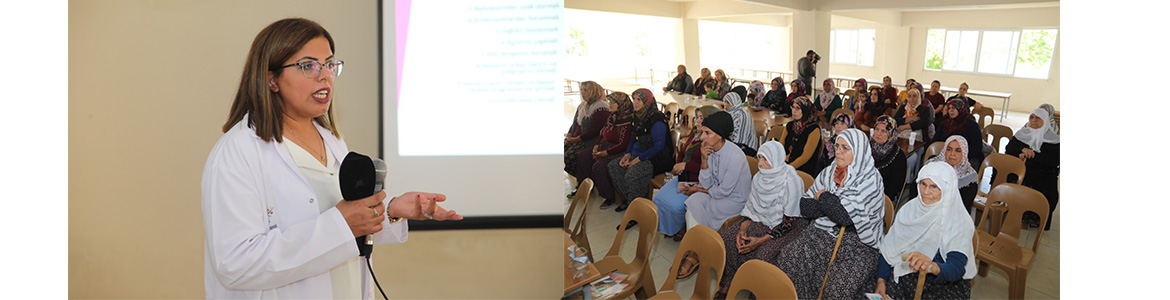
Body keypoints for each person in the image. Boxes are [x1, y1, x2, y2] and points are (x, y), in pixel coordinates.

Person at [202, 18, 462, 299]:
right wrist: (340, 225)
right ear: (271, 79)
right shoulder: (237, 153)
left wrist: (391, 211)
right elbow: (236, 264)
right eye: (308, 66)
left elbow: (345, 224)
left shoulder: (332, 140)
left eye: (329, 64)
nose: (324, 75)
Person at [775, 129, 886, 300]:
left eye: (845, 148)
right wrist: (831, 205)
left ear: (858, 151)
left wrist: (824, 196)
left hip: (858, 244)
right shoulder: (831, 170)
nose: (839, 152)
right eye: (837, 146)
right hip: (823, 232)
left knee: (837, 290)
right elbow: (805, 205)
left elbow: (844, 217)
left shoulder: (870, 178)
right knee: (788, 259)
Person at [714, 141, 811, 299]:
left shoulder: (791, 181)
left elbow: (788, 222)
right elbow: (751, 207)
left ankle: (756, 294)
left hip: (790, 225)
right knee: (728, 237)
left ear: (776, 160)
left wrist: (759, 241)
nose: (759, 163)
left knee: (763, 255)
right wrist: (742, 229)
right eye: (759, 157)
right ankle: (727, 284)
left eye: (765, 159)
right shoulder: (759, 178)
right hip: (763, 217)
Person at [872, 161, 976, 300]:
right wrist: (881, 281)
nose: (926, 192)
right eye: (923, 184)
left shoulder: (957, 220)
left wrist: (932, 266)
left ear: (947, 189)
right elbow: (890, 249)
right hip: (907, 274)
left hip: (943, 283)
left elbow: (957, 268)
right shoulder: (909, 210)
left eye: (934, 186)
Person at [675, 111, 753, 279]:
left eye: (707, 133)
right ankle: (696, 249)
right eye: (703, 132)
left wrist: (698, 190)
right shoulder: (710, 149)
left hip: (735, 201)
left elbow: (724, 191)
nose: (702, 137)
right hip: (716, 194)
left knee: (700, 199)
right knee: (693, 201)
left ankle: (695, 254)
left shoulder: (735, 156)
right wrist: (704, 160)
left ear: (720, 135)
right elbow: (706, 183)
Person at [654, 106, 722, 241]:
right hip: (684, 175)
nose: (697, 121)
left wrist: (685, 165)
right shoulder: (696, 133)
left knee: (675, 206)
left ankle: (681, 227)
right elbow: (683, 152)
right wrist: (678, 165)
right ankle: (670, 226)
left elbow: (709, 169)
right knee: (659, 198)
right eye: (697, 117)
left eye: (702, 118)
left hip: (700, 181)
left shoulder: (714, 141)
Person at [608, 88, 673, 212]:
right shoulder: (637, 116)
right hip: (638, 154)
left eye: (639, 100)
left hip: (655, 159)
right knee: (614, 166)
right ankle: (628, 200)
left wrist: (638, 159)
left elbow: (659, 146)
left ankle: (637, 210)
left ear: (647, 101)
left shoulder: (657, 119)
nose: (635, 102)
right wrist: (627, 154)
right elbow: (633, 137)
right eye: (634, 99)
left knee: (632, 173)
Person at [1005, 108, 1060, 231]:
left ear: (1045, 120)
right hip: (1022, 170)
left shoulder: (1054, 139)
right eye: (1031, 117)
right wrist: (1022, 150)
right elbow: (1009, 148)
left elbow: (1054, 161)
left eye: (1038, 118)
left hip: (1043, 173)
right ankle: (1009, 211)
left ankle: (1034, 218)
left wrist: (1033, 155)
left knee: (1049, 191)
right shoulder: (1023, 133)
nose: (1034, 120)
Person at [582, 92, 634, 210]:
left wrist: (603, 153)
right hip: (604, 147)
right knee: (584, 156)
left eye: (612, 102)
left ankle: (609, 196)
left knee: (599, 166)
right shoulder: (613, 116)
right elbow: (603, 133)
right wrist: (596, 147)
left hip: (617, 151)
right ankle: (588, 186)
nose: (609, 104)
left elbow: (623, 145)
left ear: (621, 104)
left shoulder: (627, 121)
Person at [565, 80, 611, 193]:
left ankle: (585, 183)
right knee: (563, 150)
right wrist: (569, 136)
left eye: (586, 90)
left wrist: (575, 140)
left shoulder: (601, 107)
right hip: (579, 138)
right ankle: (583, 181)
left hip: (591, 141)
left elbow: (595, 131)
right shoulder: (583, 105)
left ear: (593, 92)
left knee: (571, 156)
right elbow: (575, 123)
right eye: (581, 90)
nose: (582, 92)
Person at [923, 136, 980, 211]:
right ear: (944, 150)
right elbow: (915, 189)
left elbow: (964, 206)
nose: (952, 154)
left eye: (958, 150)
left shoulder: (969, 176)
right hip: (926, 209)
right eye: (949, 149)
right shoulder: (932, 165)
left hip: (953, 216)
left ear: (964, 153)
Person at [932, 99, 985, 170]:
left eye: (954, 108)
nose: (951, 110)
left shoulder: (972, 125)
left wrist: (960, 157)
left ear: (961, 109)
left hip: (969, 157)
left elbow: (977, 147)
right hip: (947, 156)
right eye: (949, 108)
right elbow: (935, 141)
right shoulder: (945, 123)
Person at [871, 115, 908, 202]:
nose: (878, 134)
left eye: (883, 131)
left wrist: (877, 198)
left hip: (883, 197)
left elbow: (896, 185)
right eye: (877, 129)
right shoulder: (867, 148)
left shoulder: (898, 155)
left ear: (891, 134)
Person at [785, 96, 822, 177]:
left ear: (805, 110)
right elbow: (780, 146)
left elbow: (805, 157)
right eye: (793, 107)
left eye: (797, 108)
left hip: (802, 170)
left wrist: (787, 168)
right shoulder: (790, 125)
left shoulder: (814, 130)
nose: (793, 111)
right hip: (786, 164)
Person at [722, 90, 759, 157]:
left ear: (734, 102)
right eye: (724, 102)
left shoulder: (742, 115)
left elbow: (741, 139)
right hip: (734, 143)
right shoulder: (731, 113)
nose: (725, 105)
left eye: (728, 102)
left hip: (747, 147)